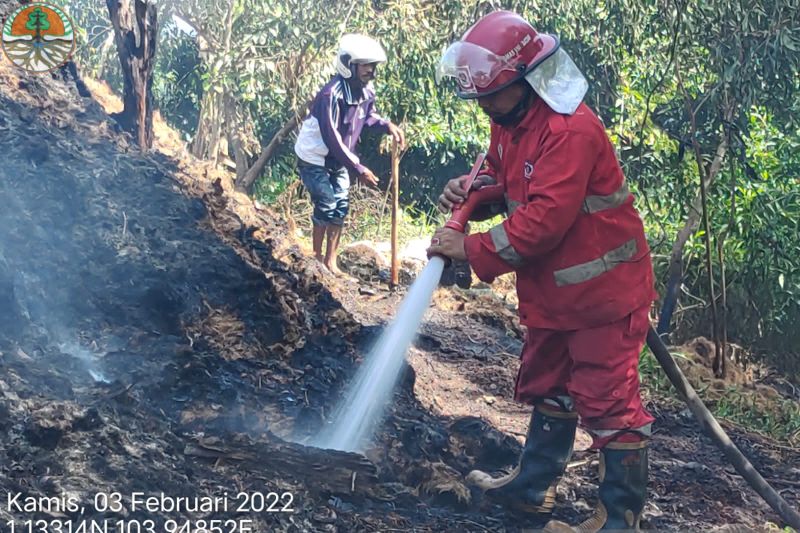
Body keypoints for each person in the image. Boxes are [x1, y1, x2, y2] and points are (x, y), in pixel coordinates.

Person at [429, 10, 656, 532]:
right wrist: (472, 193)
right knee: (550, 383)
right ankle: (533, 490)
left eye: (491, 94)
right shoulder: (511, 118)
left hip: (602, 295)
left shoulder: (569, 129)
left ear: (524, 79)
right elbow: (502, 175)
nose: (483, 105)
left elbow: (542, 222)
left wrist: (469, 247)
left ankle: (620, 520)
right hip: (556, 293)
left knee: (607, 400)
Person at [294, 33, 405, 275]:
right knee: (326, 202)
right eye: (365, 65)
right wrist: (358, 168)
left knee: (341, 205)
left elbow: (368, 117)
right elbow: (332, 137)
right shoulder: (329, 96)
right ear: (348, 64)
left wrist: (386, 125)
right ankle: (315, 259)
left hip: (341, 158)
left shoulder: (366, 92)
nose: (371, 71)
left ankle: (330, 262)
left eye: (373, 66)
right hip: (316, 157)